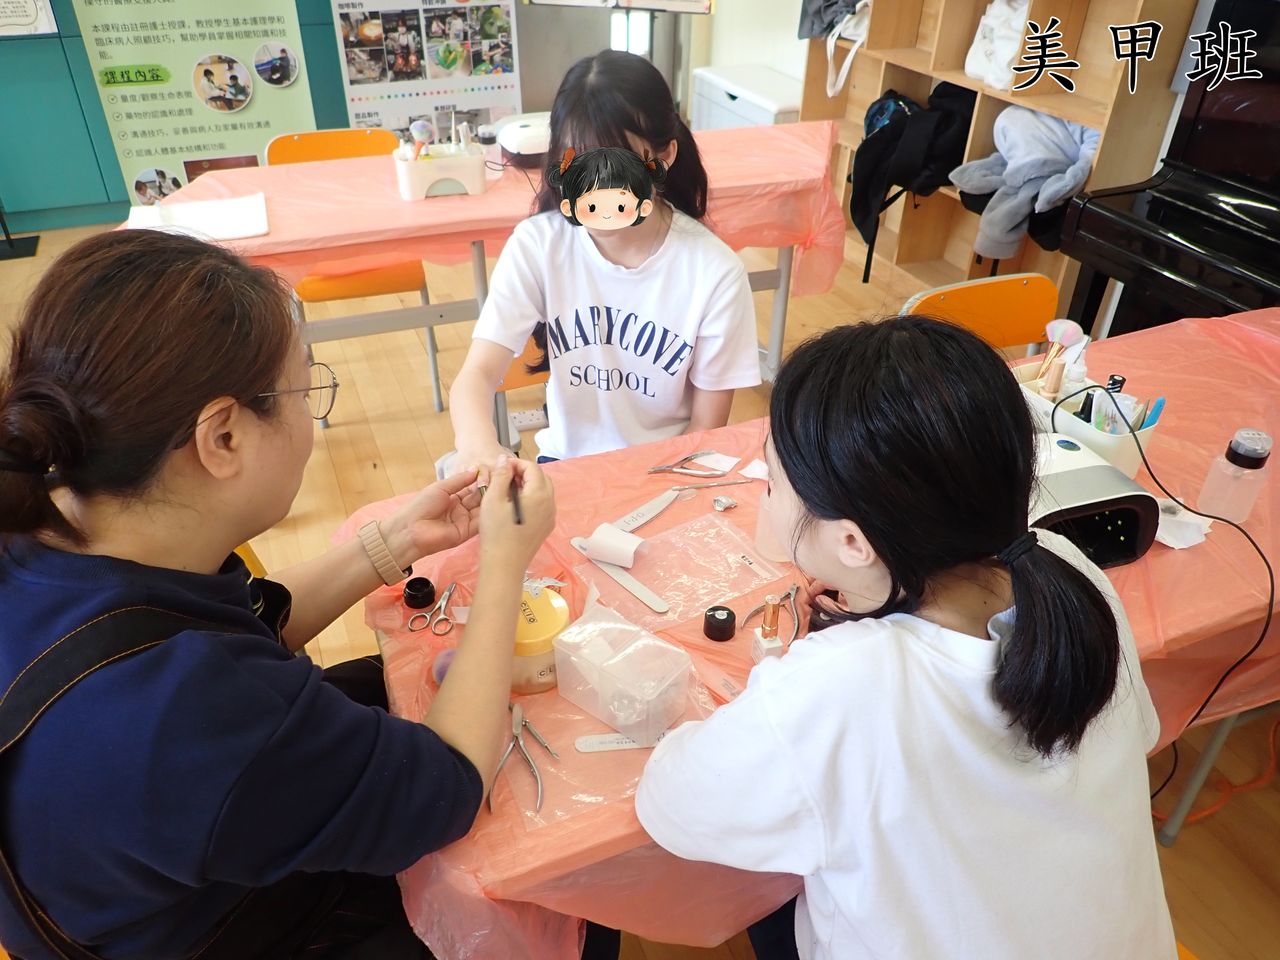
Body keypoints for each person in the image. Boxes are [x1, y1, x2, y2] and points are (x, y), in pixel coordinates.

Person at [0, 230, 558, 959]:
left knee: (387, 682)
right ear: (223, 438)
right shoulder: (192, 712)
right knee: (537, 866)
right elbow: (446, 786)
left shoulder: (41, 533)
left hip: (146, 872)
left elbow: (214, 626)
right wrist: (505, 563)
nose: (309, 417)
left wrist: (392, 542)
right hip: (228, 932)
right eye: (304, 390)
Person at [635, 316, 1177, 960]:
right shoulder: (1066, 569)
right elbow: (1139, 732)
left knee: (768, 892)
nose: (766, 495)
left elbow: (673, 805)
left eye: (774, 483)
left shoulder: (838, 686)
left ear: (852, 543)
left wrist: (801, 678)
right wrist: (866, 613)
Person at [448, 50, 760, 471]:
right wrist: (478, 447)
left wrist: (645, 487)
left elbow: (705, 431)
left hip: (668, 470)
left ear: (664, 156)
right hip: (566, 466)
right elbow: (477, 374)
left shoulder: (714, 273)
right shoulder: (539, 246)